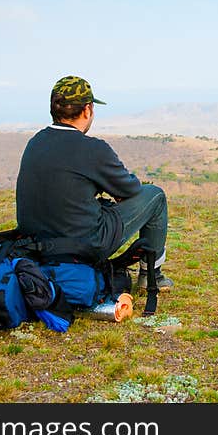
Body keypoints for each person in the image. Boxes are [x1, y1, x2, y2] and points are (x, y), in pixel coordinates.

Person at [15, 75, 173, 291]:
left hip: (36, 244)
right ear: (87, 109)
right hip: (82, 244)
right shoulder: (92, 149)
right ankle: (151, 275)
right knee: (154, 195)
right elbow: (130, 189)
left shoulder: (34, 143)